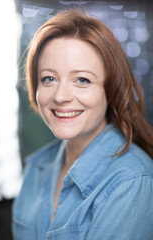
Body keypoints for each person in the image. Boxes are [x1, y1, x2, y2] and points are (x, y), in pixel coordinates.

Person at [12, 10, 153, 240]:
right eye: (49, 78)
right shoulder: (36, 168)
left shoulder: (132, 182)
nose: (60, 96)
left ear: (111, 90)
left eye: (82, 80)